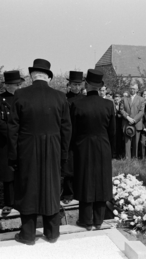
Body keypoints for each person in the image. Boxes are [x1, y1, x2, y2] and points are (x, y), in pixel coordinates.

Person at [8, 59, 72, 245]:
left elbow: (13, 129)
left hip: (27, 148)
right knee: (51, 187)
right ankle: (52, 233)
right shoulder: (60, 97)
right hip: (53, 147)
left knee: (28, 188)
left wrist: (13, 156)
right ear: (48, 78)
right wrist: (63, 154)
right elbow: (66, 129)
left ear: (31, 76)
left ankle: (28, 235)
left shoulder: (20, 94)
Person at [70, 69, 115, 230]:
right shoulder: (108, 105)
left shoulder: (76, 104)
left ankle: (85, 220)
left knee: (85, 181)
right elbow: (112, 132)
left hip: (83, 147)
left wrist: (74, 147)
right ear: (100, 86)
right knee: (101, 181)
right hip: (103, 146)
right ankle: (98, 219)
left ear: (86, 85)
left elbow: (72, 131)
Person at [0, 71, 24, 215]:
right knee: (8, 173)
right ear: (7, 85)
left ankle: (22, 200)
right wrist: (12, 135)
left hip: (22, 140)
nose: (18, 87)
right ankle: (9, 202)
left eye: (19, 84)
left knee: (22, 171)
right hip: (6, 141)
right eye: (15, 85)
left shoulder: (23, 98)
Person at [63, 71, 85, 204]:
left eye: (79, 85)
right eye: (74, 85)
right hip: (68, 137)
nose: (77, 87)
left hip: (81, 136)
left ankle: (80, 192)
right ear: (69, 85)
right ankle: (68, 194)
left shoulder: (84, 99)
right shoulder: (64, 99)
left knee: (81, 165)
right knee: (68, 167)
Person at [119, 83, 145, 159]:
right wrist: (128, 117)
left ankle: (135, 159)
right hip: (127, 123)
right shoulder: (124, 99)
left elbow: (141, 112)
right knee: (127, 143)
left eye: (134, 88)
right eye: (131, 88)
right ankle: (127, 159)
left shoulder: (141, 99)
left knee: (136, 143)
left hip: (136, 123)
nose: (132, 90)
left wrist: (134, 120)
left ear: (137, 90)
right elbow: (121, 110)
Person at [114, 93, 125, 159]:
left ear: (120, 98)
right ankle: (114, 155)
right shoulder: (112, 105)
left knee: (121, 141)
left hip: (121, 126)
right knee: (115, 141)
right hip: (114, 126)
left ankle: (120, 155)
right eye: (115, 98)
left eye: (117, 98)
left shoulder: (122, 106)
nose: (116, 99)